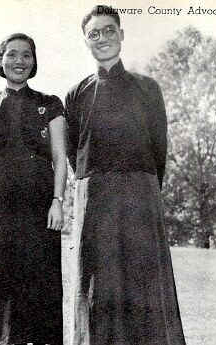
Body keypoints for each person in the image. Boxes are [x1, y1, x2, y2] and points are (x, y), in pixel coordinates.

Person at [65, 5, 186, 345]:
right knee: (97, 284)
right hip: (95, 201)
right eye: (94, 34)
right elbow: (76, 155)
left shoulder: (148, 88)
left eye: (108, 30)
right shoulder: (76, 94)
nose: (102, 38)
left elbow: (158, 151)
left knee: (143, 281)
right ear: (86, 41)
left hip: (140, 198)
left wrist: (143, 193)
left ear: (121, 34)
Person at [0, 33, 66, 345]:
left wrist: (57, 201)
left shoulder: (50, 105)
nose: (19, 61)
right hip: (0, 214)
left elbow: (59, 157)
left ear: (34, 61)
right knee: (1, 288)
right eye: (11, 54)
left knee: (43, 289)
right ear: (0, 60)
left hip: (40, 212)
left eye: (26, 55)